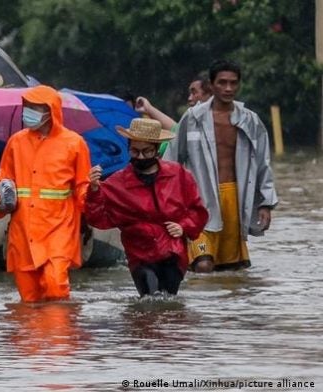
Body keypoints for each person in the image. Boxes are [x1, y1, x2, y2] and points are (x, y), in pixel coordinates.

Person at [164, 59, 278, 273]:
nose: (228, 88)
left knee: (231, 270)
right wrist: (168, 202)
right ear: (211, 85)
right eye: (222, 82)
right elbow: (171, 161)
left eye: (233, 83)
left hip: (235, 198)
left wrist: (265, 204)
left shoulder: (250, 121)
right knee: (203, 264)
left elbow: (262, 163)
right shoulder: (193, 118)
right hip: (198, 201)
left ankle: (225, 307)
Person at [85, 118, 208, 297]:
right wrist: (94, 190)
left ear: (157, 150)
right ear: (128, 149)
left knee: (168, 300)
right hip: (139, 255)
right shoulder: (116, 183)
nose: (140, 157)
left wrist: (184, 226)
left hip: (173, 252)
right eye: (135, 151)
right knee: (149, 300)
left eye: (146, 151)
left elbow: (198, 211)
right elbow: (98, 219)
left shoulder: (178, 175)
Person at [0, 85, 91, 303]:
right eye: (26, 106)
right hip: (23, 230)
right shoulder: (16, 142)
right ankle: (31, 337)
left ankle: (59, 336)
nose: (28, 112)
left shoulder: (75, 143)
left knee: (56, 287)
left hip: (58, 229)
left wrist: (94, 199)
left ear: (50, 110)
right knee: (28, 299)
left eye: (34, 107)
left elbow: (82, 187)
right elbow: (3, 182)